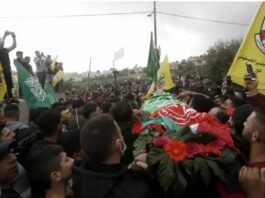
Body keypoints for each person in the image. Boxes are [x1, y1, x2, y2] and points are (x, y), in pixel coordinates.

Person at [72, 114, 160, 198]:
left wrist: (131, 170)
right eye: (120, 133)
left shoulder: (78, 176)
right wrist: (151, 176)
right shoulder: (136, 191)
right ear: (119, 144)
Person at [0, 30, 17, 99]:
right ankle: (3, 98)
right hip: (0, 71)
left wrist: (14, 38)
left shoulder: (5, 49)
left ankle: (10, 97)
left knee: (9, 83)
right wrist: (4, 36)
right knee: (1, 84)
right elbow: (1, 43)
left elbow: (14, 46)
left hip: (7, 70)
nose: (3, 42)